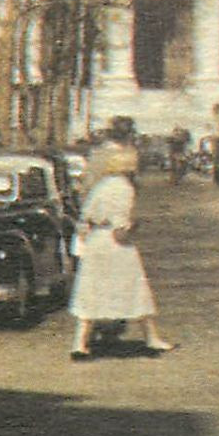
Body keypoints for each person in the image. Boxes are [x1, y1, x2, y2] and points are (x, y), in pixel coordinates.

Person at [69, 141, 176, 359]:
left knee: (92, 291)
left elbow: (85, 218)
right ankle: (151, 339)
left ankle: (79, 344)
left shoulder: (102, 185)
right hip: (114, 245)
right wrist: (134, 226)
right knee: (135, 288)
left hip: (96, 242)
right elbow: (121, 231)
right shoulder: (124, 189)